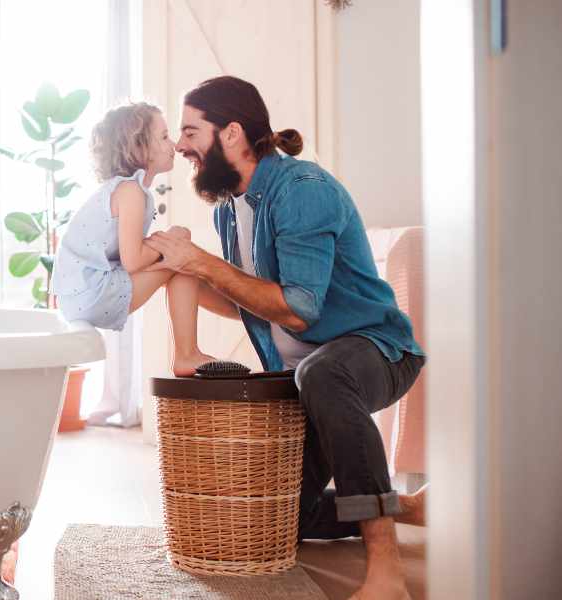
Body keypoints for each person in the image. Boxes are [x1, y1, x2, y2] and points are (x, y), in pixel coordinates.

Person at [144, 75, 427, 600]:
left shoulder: (303, 192)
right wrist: (179, 270)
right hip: (310, 372)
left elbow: (297, 310)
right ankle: (407, 505)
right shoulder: (232, 206)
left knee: (321, 370)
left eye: (190, 131)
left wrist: (203, 263)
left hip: (377, 352)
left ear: (231, 134)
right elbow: (250, 298)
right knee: (277, 519)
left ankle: (386, 571)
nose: (181, 145)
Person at [52, 102, 221, 376]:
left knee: (179, 249)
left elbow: (131, 258)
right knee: (183, 250)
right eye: (164, 137)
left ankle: (187, 354)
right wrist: (166, 244)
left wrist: (162, 246)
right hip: (94, 293)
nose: (174, 144)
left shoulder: (124, 190)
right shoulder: (131, 191)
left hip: (80, 295)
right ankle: (186, 354)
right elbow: (133, 261)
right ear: (140, 148)